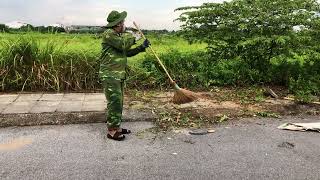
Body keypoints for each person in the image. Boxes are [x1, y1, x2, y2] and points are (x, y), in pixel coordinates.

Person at [99, 10, 150, 141]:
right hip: (110, 75)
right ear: (117, 24)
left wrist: (141, 47)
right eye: (122, 22)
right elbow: (123, 44)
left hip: (118, 75)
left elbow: (127, 52)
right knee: (114, 102)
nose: (124, 25)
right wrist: (136, 37)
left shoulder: (118, 36)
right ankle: (112, 131)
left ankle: (116, 126)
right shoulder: (109, 34)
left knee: (119, 102)